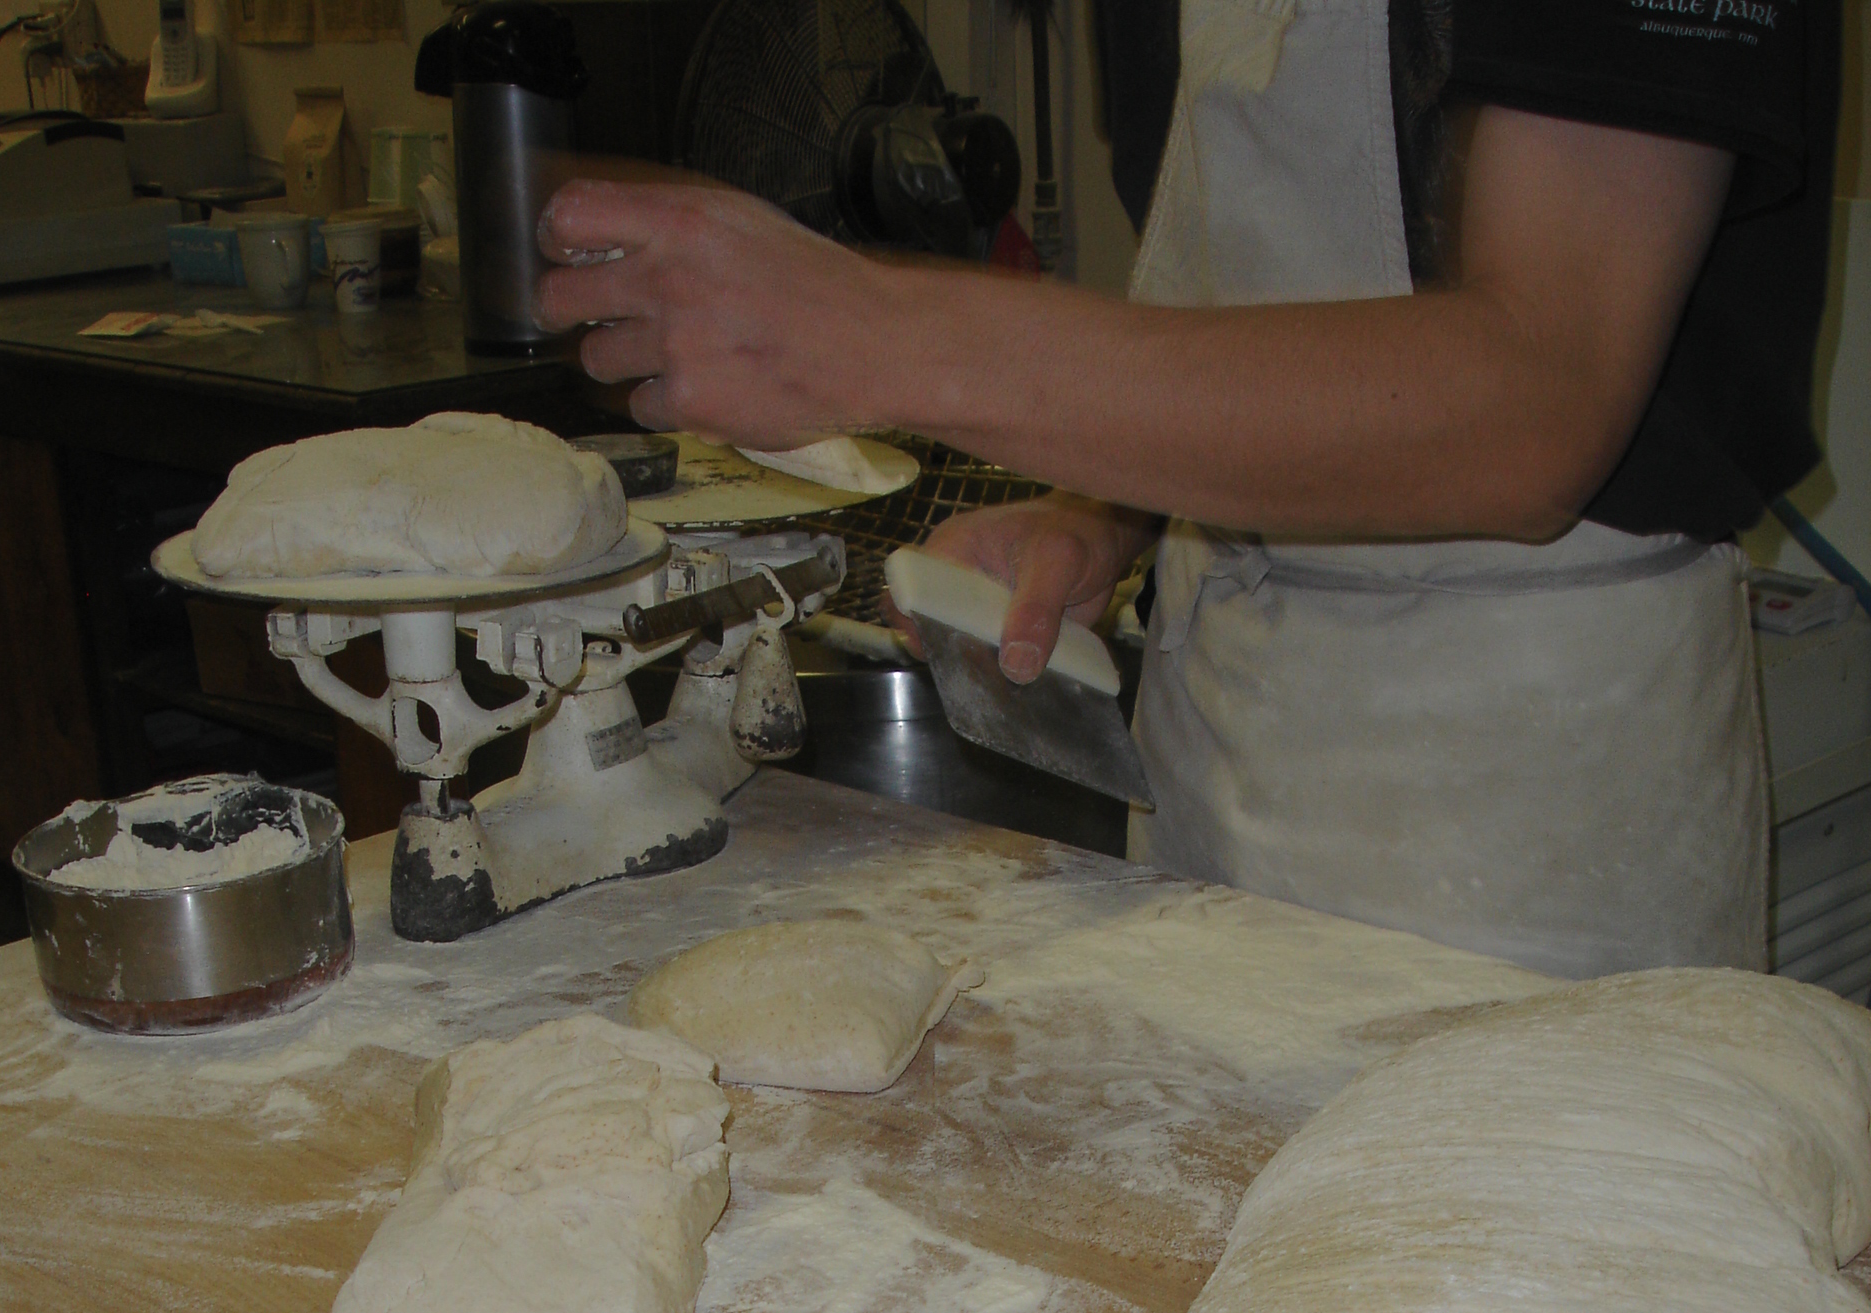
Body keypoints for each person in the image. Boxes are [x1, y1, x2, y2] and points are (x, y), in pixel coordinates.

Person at [536, 0, 1841, 978]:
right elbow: (1250, 293)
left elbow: (1534, 400)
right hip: (1230, 726)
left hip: (1527, 785)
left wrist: (871, 331)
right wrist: (1109, 505)